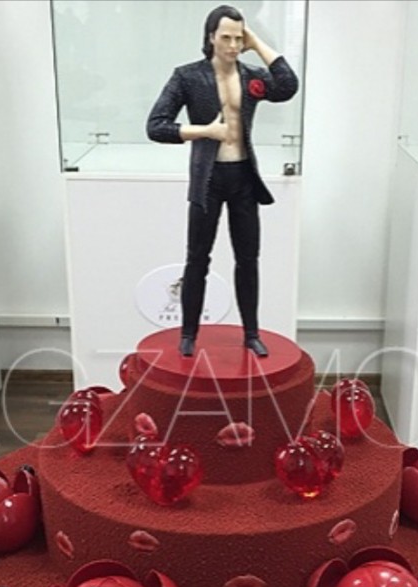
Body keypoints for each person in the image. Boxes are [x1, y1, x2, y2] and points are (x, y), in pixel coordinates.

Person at [146, 5, 299, 357]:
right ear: (211, 37)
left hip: (243, 176)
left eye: (238, 38)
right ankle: (188, 333)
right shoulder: (187, 76)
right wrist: (205, 131)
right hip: (208, 179)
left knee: (248, 258)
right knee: (197, 258)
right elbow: (156, 126)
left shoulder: (251, 76)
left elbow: (288, 86)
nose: (232, 45)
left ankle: (251, 333)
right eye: (226, 37)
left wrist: (257, 43)